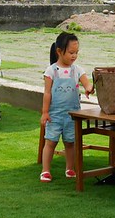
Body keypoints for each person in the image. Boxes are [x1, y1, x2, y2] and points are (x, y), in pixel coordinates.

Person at [40, 32, 93, 182]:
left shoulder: (77, 70)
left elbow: (86, 83)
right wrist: (45, 112)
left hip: (73, 114)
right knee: (50, 141)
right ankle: (45, 170)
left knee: (71, 143)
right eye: (71, 52)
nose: (74, 56)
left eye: (76, 52)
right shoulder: (51, 71)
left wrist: (89, 88)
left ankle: (70, 168)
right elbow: (47, 93)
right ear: (59, 51)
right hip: (55, 114)